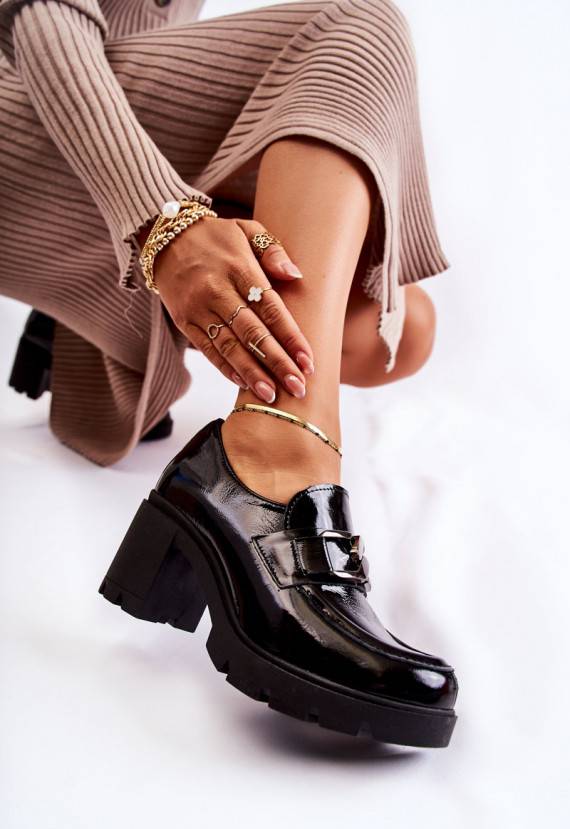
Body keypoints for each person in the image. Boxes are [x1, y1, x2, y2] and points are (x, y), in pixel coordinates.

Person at [0, 0, 458, 746]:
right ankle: (271, 466)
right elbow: (42, 19)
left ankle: (87, 304)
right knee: (356, 32)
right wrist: (162, 223)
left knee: (394, 334)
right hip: (24, 90)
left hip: (75, 128)